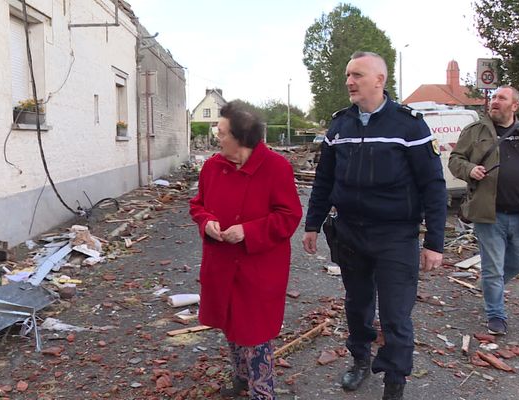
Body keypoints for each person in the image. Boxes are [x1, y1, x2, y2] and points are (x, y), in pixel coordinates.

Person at [302, 51, 446, 400]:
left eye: (357, 75)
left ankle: (394, 382)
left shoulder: (408, 125)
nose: (349, 82)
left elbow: (433, 184)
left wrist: (435, 242)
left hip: (396, 236)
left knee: (396, 315)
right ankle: (360, 360)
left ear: (379, 80)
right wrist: (312, 223)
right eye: (348, 75)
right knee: (358, 304)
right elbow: (324, 180)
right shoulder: (340, 125)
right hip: (350, 232)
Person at [189, 101, 302, 399]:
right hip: (222, 263)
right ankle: (240, 378)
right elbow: (197, 205)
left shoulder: (277, 167)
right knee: (229, 323)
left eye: (222, 131)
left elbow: (289, 216)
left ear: (241, 138)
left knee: (255, 333)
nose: (217, 135)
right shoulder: (213, 166)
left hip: (259, 268)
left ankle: (263, 392)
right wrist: (208, 222)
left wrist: (249, 231)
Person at [448, 85, 519, 335]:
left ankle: (491, 285)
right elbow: (455, 160)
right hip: (488, 214)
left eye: (501, 98)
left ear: (514, 106)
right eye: (493, 97)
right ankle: (496, 315)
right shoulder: (475, 131)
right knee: (492, 267)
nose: (494, 101)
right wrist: (469, 169)